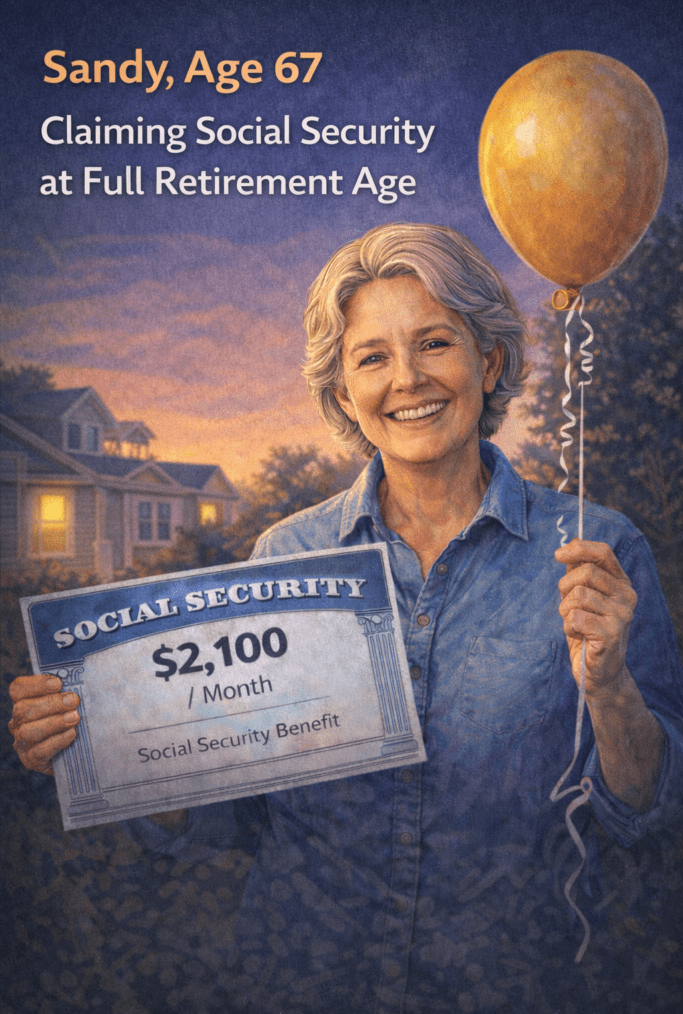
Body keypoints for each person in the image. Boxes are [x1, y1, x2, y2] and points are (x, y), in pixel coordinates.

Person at [9, 224, 683, 1014]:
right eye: (371, 358)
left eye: (434, 342)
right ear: (341, 393)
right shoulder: (284, 557)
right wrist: (105, 749)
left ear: (489, 359)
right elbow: (233, 817)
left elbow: (649, 815)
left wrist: (608, 689)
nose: (406, 379)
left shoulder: (596, 552)